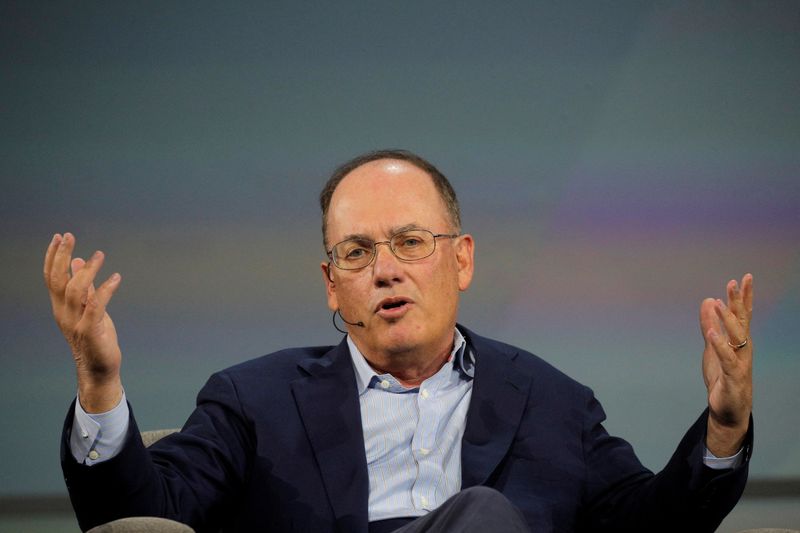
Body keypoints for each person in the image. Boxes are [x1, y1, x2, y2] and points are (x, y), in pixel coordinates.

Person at [45, 150, 754, 533]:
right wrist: (100, 383)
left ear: (462, 259)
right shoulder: (253, 399)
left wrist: (723, 429)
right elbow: (141, 519)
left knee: (482, 517)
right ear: (331, 282)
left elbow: (651, 526)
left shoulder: (552, 403)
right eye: (355, 252)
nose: (385, 268)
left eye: (411, 242)